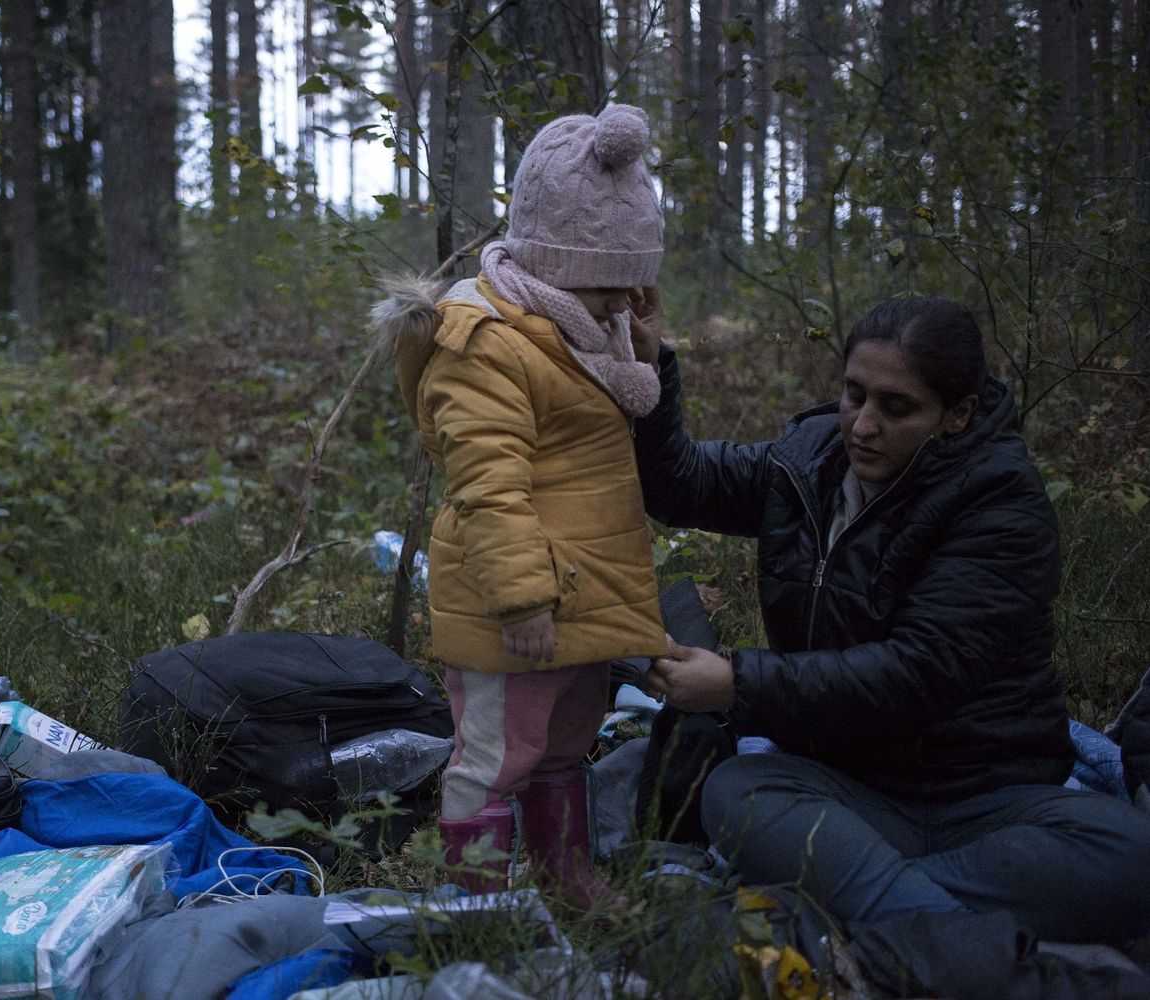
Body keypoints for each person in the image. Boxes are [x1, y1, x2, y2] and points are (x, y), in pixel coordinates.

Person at [634, 296, 1150, 978]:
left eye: (896, 407)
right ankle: (967, 951)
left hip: (989, 798)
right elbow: (678, 483)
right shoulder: (804, 465)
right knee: (737, 789)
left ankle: (866, 911)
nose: (863, 426)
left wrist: (737, 683)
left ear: (956, 415)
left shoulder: (1001, 502)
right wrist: (651, 364)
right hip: (846, 787)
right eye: (853, 395)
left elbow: (919, 673)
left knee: (1130, 856)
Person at [375, 103, 669, 910]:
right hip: (519, 602)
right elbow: (487, 481)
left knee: (564, 747)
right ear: (556, 260)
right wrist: (520, 597)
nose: (628, 292)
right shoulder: (489, 341)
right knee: (498, 755)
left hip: (582, 592)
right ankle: (482, 901)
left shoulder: (592, 330)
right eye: (612, 272)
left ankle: (564, 877)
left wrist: (644, 340)